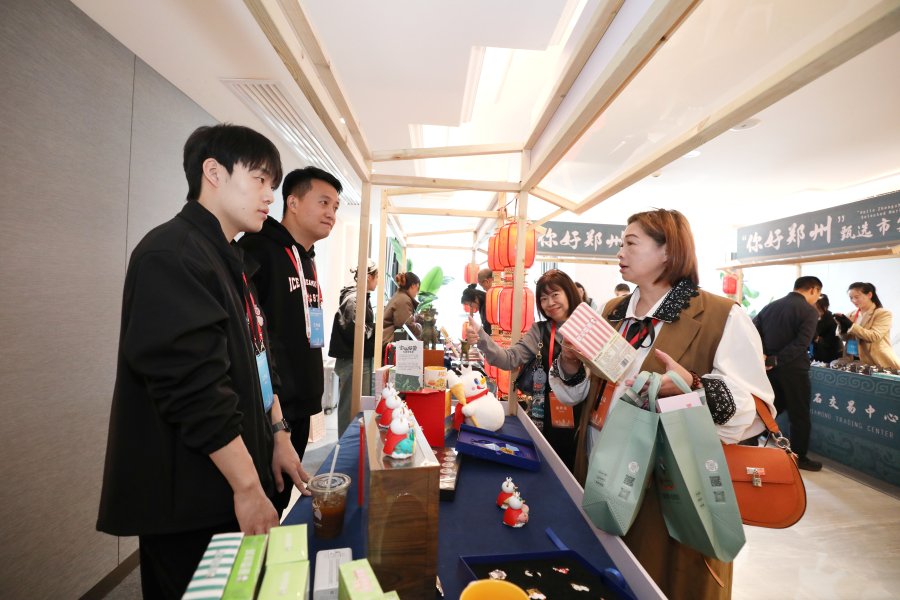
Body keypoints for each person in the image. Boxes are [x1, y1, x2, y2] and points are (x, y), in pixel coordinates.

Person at [97, 124, 310, 599]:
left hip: (232, 475)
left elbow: (260, 354)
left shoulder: (230, 258)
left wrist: (278, 433)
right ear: (213, 172)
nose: (269, 195)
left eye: (272, 184)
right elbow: (195, 389)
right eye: (259, 179)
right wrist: (247, 486)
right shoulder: (172, 253)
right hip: (191, 492)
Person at [572, 209, 774, 599]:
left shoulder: (720, 316)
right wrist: (570, 363)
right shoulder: (614, 312)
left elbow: (755, 410)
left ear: (668, 251)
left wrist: (693, 387)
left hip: (666, 490)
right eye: (621, 243)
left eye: (631, 243)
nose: (620, 252)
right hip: (599, 470)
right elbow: (595, 391)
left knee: (658, 580)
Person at [238, 165, 341, 512]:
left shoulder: (307, 259)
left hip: (300, 406)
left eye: (335, 207)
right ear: (293, 203)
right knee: (262, 507)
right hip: (269, 411)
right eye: (323, 202)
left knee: (279, 504)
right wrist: (275, 419)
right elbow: (253, 337)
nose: (331, 213)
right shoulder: (258, 250)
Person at [466, 269, 590, 472]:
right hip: (546, 417)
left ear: (569, 293)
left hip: (584, 419)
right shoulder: (540, 330)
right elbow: (509, 359)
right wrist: (481, 336)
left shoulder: (590, 327)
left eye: (555, 294)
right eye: (543, 298)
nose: (550, 303)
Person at [753, 276, 823, 472]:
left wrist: (766, 356)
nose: (817, 298)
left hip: (769, 369)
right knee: (799, 415)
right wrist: (776, 360)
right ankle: (799, 457)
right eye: (818, 294)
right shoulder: (809, 311)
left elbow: (753, 330)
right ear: (813, 289)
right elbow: (801, 343)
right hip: (794, 370)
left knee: (771, 408)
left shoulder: (770, 306)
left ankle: (748, 440)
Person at [329, 260, 378, 435]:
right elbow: (355, 329)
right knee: (350, 407)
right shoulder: (354, 298)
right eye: (377, 277)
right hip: (353, 360)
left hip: (355, 359)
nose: (378, 282)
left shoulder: (358, 297)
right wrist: (375, 329)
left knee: (354, 406)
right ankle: (345, 445)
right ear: (369, 277)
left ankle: (351, 443)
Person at [834, 282, 900, 370]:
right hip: (852, 360)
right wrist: (842, 327)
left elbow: (874, 336)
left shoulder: (883, 313)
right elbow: (844, 338)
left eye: (857, 297)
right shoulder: (851, 314)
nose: (853, 300)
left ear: (869, 295)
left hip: (876, 361)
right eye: (851, 298)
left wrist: (851, 325)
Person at [383, 271, 422, 347]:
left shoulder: (399, 295)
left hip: (388, 340)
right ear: (413, 286)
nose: (417, 293)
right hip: (390, 342)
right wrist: (419, 327)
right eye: (418, 288)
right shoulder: (404, 299)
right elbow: (406, 325)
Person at [812, 294, 843, 363]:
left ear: (825, 307)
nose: (813, 311)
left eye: (817, 308)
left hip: (830, 356)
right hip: (814, 355)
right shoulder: (811, 318)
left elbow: (831, 342)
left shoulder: (833, 320)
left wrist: (817, 338)